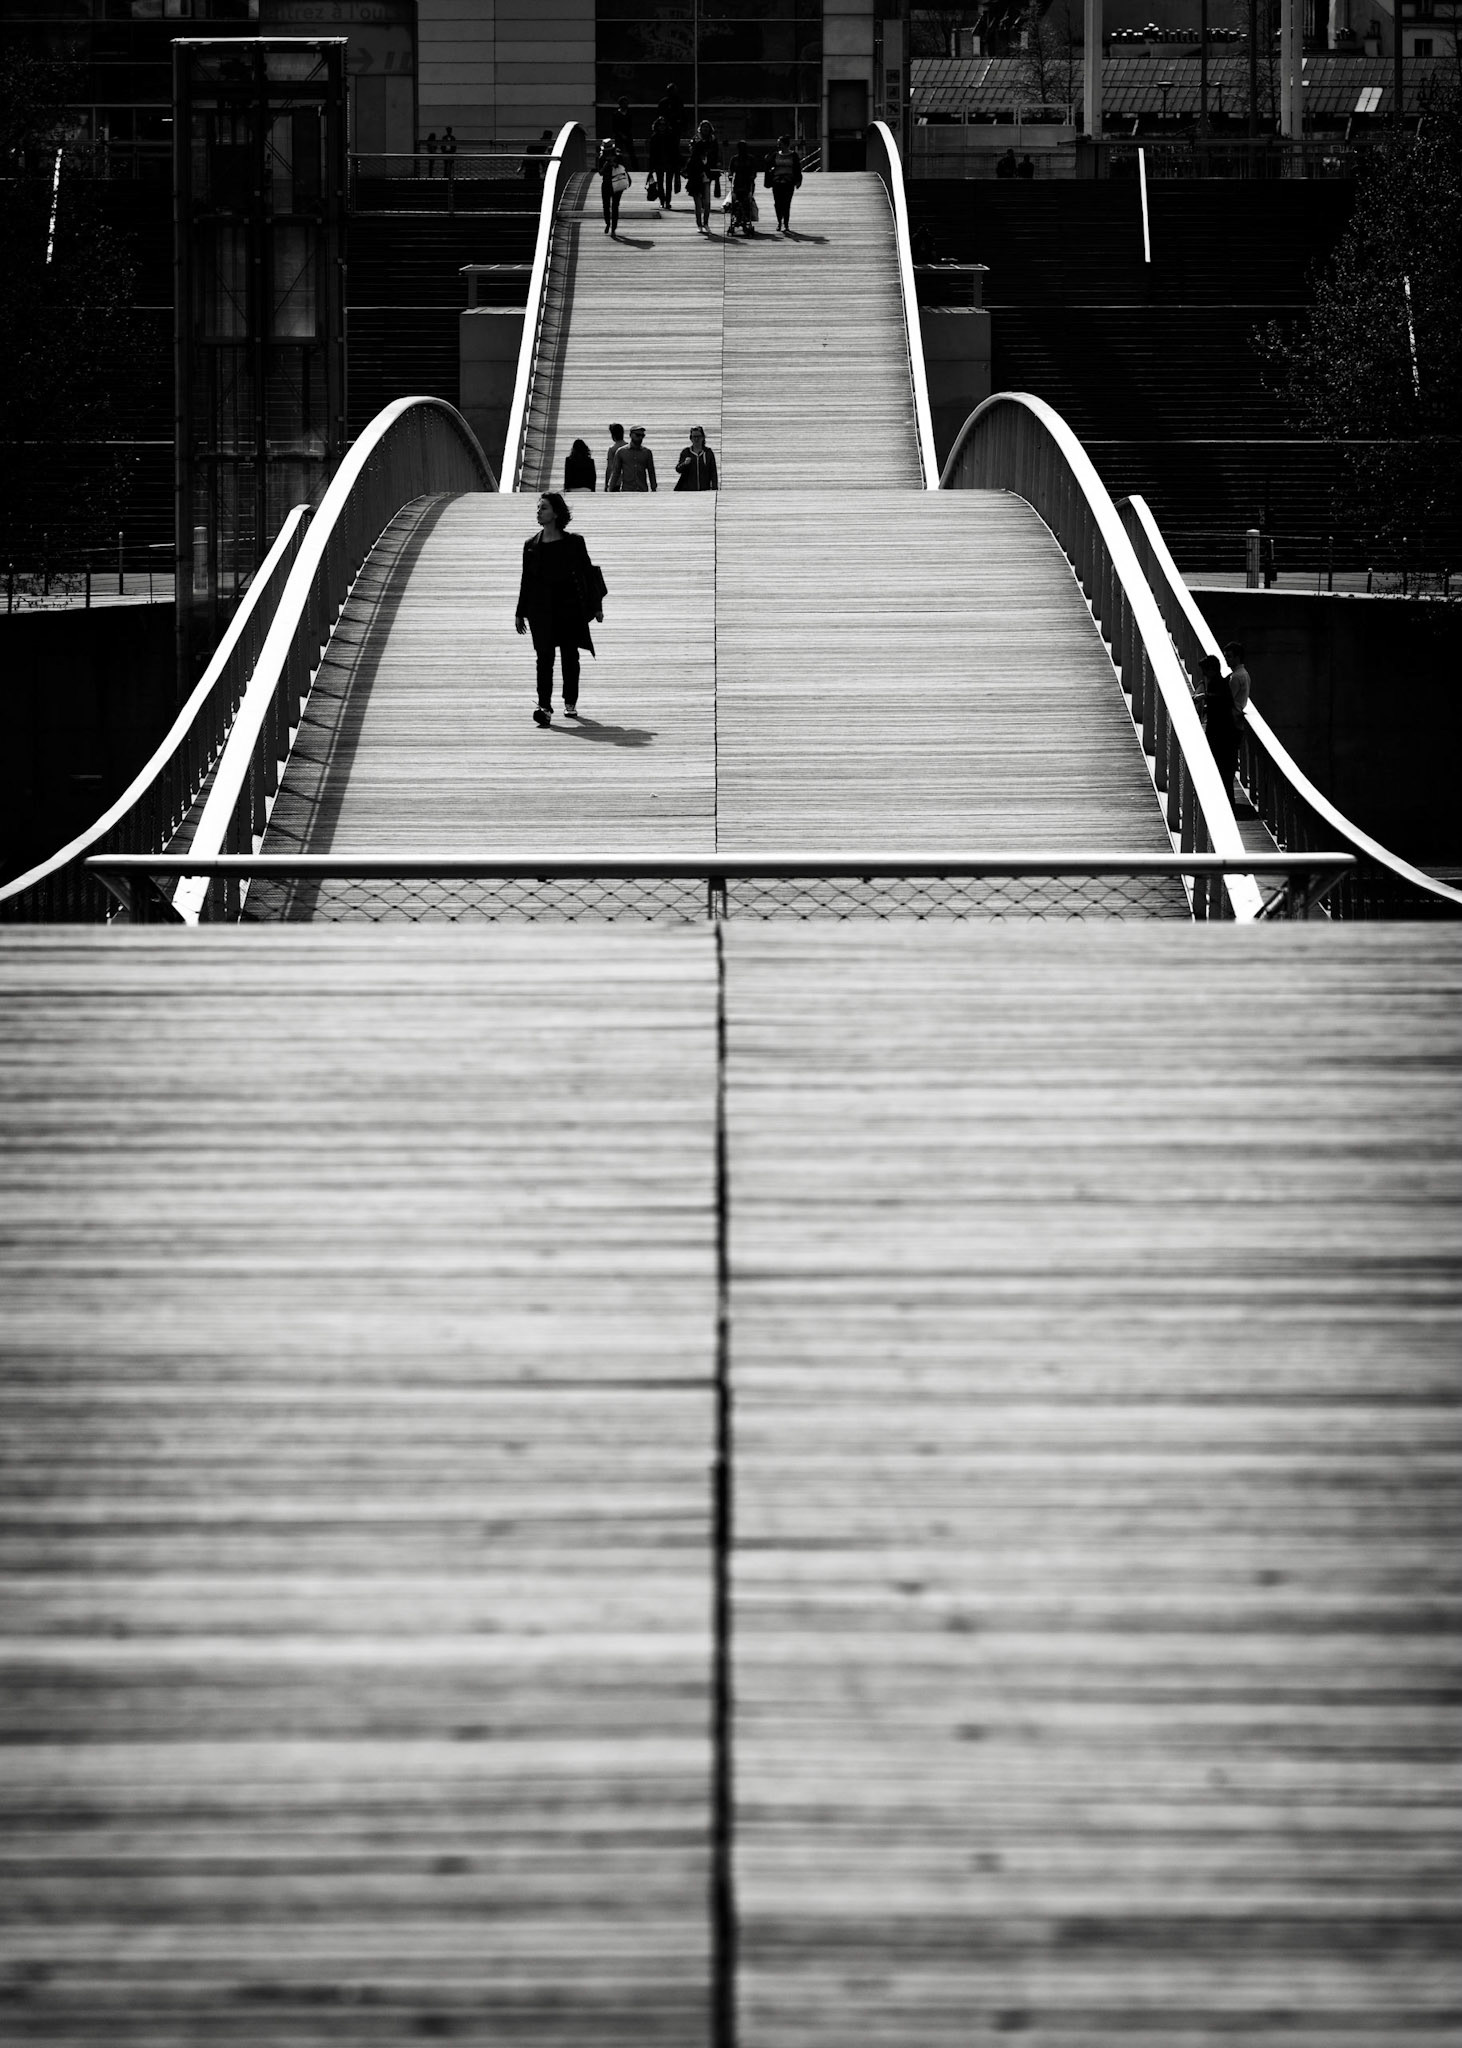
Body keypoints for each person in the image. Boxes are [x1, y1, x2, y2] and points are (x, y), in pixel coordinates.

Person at [515, 492, 606, 727]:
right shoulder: (530, 546)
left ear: (556, 513)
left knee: (569, 656)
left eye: (543, 508)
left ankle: (570, 701)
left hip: (569, 607)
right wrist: (519, 612)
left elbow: (588, 574)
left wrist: (596, 607)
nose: (538, 512)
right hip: (540, 611)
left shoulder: (574, 542)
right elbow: (526, 580)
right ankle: (543, 706)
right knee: (544, 658)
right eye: (538, 508)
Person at [684, 121, 721, 235]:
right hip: (696, 176)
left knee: (707, 203)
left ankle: (706, 223)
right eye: (703, 127)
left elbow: (716, 155)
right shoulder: (696, 140)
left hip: (707, 175)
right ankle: (699, 224)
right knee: (698, 204)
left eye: (707, 127)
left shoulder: (713, 140)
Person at [766, 132, 802, 233]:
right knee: (777, 203)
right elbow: (768, 164)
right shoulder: (775, 154)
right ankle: (779, 222)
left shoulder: (793, 155)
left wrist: (798, 180)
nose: (778, 145)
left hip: (788, 182)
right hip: (777, 182)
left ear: (785, 144)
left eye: (780, 143)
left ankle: (786, 223)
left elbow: (798, 168)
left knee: (786, 203)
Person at [726, 139, 759, 235]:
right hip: (737, 183)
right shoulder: (734, 159)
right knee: (735, 201)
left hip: (748, 183)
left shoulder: (750, 159)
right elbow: (730, 170)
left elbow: (754, 170)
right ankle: (736, 218)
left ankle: (747, 219)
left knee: (746, 201)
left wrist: (752, 176)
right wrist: (730, 176)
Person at [647, 114, 679, 208]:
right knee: (660, 183)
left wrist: (676, 163)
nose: (662, 126)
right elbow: (652, 153)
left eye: (664, 124)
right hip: (658, 162)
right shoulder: (654, 137)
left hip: (670, 162)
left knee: (669, 183)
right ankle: (662, 201)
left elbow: (675, 150)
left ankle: (668, 201)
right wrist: (651, 166)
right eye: (660, 125)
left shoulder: (671, 136)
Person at [674, 425, 718, 492]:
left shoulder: (708, 453)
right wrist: (685, 464)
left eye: (698, 437)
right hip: (688, 491)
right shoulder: (686, 452)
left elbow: (713, 472)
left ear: (703, 438)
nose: (696, 439)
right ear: (691, 438)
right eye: (694, 437)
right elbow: (678, 469)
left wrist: (715, 488)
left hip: (705, 491)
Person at [598, 139, 628, 236]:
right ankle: (608, 223)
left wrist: (615, 164)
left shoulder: (618, 156)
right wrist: (607, 164)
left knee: (615, 206)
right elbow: (600, 172)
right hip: (606, 183)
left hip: (617, 183)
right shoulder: (601, 158)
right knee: (606, 206)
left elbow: (624, 168)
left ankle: (613, 228)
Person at [616, 425, 656, 492]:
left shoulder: (647, 452)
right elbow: (616, 472)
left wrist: (653, 488)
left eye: (642, 436)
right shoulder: (621, 452)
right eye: (638, 435)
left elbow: (651, 472)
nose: (640, 438)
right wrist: (610, 489)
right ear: (631, 435)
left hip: (642, 490)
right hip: (627, 490)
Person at [611, 96, 636, 172]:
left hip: (628, 136)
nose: (625, 105)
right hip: (619, 136)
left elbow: (630, 125)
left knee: (632, 153)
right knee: (618, 153)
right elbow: (614, 127)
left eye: (626, 104)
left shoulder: (629, 114)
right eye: (623, 103)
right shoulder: (616, 114)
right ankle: (618, 168)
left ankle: (635, 169)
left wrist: (627, 135)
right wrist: (621, 135)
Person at [657, 81, 685, 145]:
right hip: (665, 126)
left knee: (674, 143)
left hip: (675, 126)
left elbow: (682, 113)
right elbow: (660, 114)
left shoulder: (678, 101)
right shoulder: (663, 102)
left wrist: (682, 124)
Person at [605, 422, 626, 491]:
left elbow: (610, 468)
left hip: (615, 483)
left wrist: (606, 485)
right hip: (627, 482)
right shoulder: (628, 448)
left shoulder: (612, 449)